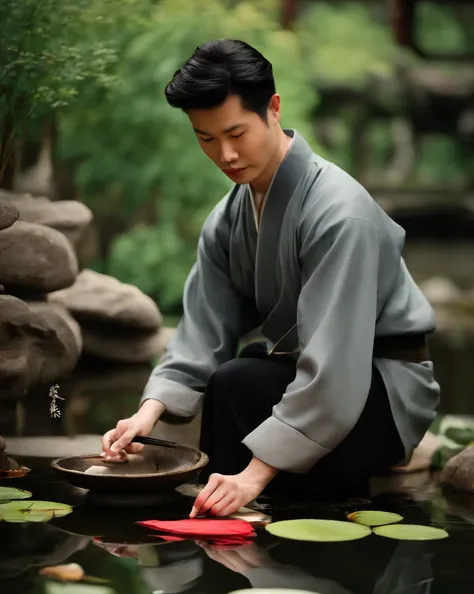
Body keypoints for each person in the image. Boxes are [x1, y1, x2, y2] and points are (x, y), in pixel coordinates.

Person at [101, 39, 440, 517]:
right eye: (206, 138)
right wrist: (147, 413)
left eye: (237, 132)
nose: (226, 154)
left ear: (273, 109)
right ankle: (226, 520)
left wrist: (253, 474)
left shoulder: (341, 214)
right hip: (316, 378)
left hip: (378, 389)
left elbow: (337, 371)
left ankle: (252, 511)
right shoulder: (228, 217)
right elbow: (203, 331)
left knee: (242, 384)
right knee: (233, 380)